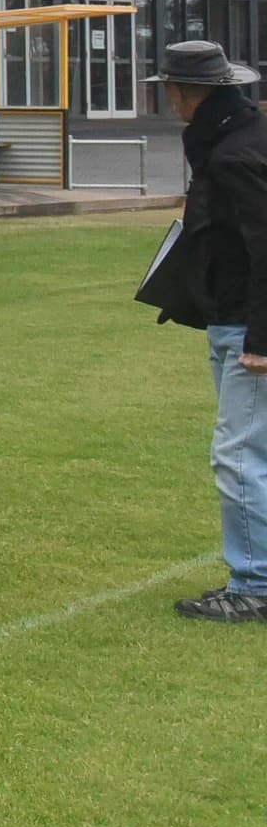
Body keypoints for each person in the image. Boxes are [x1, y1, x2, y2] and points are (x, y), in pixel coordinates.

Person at [140, 38, 267, 623]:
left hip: (247, 324)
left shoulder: (235, 155)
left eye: (170, 89)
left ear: (185, 93)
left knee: (238, 454)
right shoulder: (238, 140)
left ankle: (255, 585)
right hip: (232, 315)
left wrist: (260, 339)